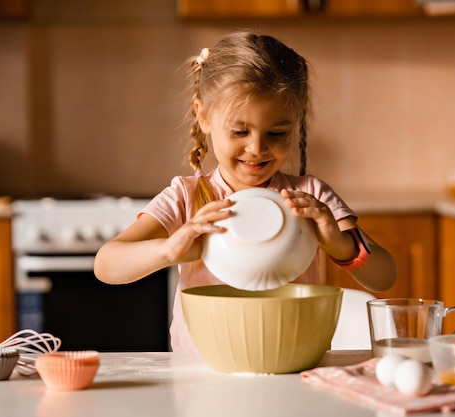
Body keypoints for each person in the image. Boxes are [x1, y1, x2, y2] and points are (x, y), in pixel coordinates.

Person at [94, 30, 397, 352]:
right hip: (204, 371)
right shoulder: (187, 196)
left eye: (278, 133)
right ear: (204, 116)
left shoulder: (311, 197)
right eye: (239, 131)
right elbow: (107, 265)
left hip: (292, 363)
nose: (257, 148)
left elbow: (384, 276)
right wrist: (169, 249)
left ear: (296, 123)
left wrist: (339, 243)